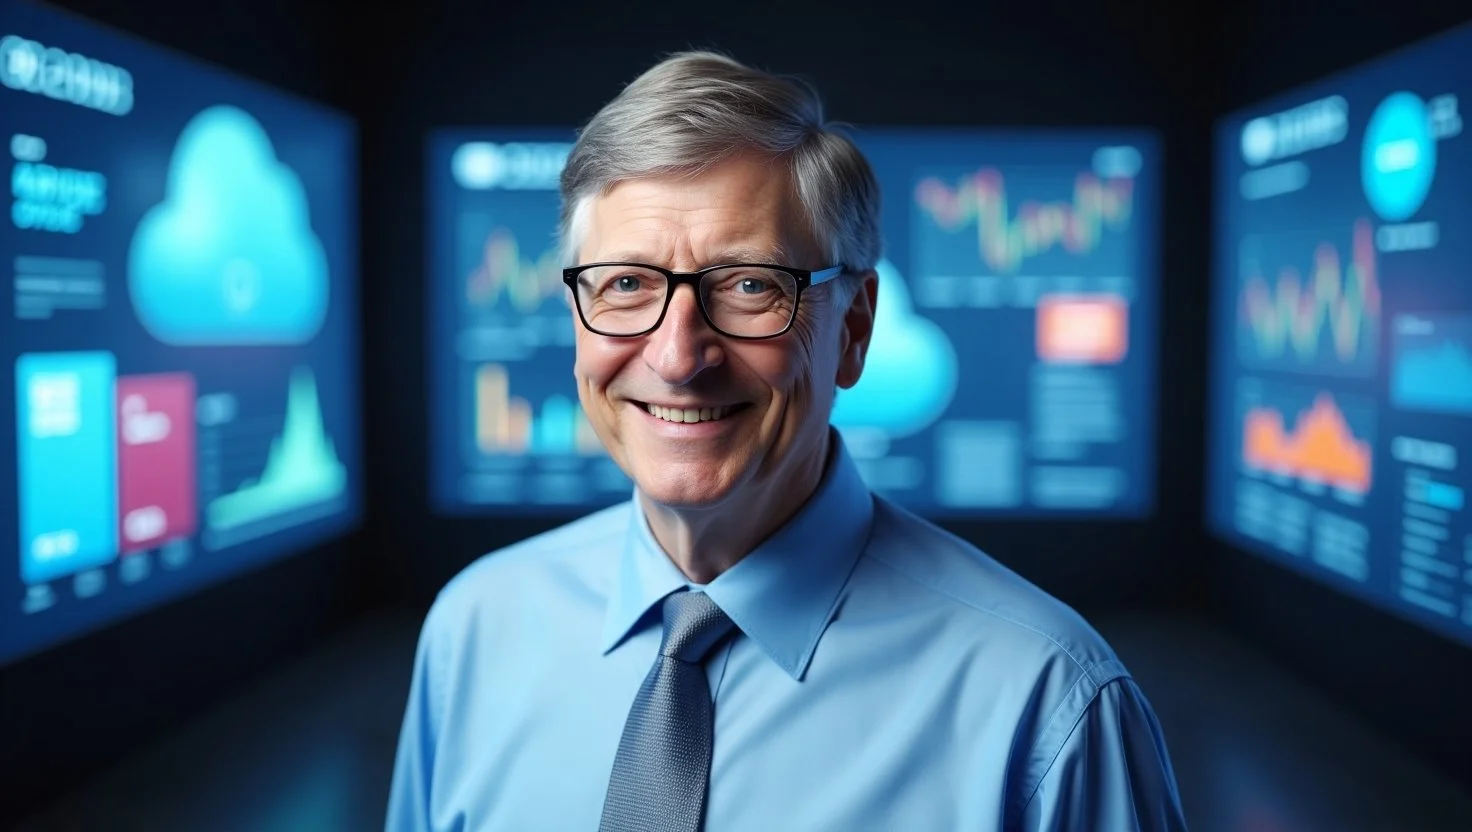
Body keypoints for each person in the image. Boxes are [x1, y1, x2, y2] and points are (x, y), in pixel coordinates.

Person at [386, 50, 1187, 832]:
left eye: (749, 285)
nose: (677, 358)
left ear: (854, 328)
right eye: (626, 284)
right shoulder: (476, 630)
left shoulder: (1046, 705)